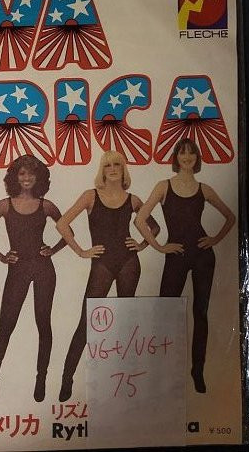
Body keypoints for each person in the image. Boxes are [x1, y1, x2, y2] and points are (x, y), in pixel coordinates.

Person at [56, 150, 159, 402]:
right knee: (86, 323)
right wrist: (81, 251)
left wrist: (142, 245)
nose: (112, 169)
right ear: (102, 171)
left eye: (117, 165)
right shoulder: (90, 196)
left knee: (125, 324)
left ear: (123, 170)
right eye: (108, 165)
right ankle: (67, 379)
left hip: (128, 263)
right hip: (102, 264)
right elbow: (62, 224)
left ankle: (123, 384)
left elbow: (154, 227)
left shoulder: (133, 200)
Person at [135, 138, 235, 393]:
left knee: (200, 313)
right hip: (176, 255)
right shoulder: (164, 186)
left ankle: (197, 371)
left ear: (197, 158)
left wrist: (214, 239)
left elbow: (230, 217)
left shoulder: (204, 189)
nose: (187, 156)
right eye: (183, 152)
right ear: (176, 157)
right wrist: (159, 247)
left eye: (192, 153)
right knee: (165, 313)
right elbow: (140, 220)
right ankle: (162, 372)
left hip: (203, 256)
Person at [0, 155, 66, 404]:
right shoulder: (5, 205)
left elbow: (68, 231)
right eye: (22, 173)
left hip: (43, 268)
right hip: (18, 270)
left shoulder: (46, 205)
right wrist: (1, 257)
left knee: (43, 324)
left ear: (39, 177)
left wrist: (53, 249)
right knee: (6, 325)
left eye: (31, 174)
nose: (27, 178)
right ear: (14, 177)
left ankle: (41, 380)